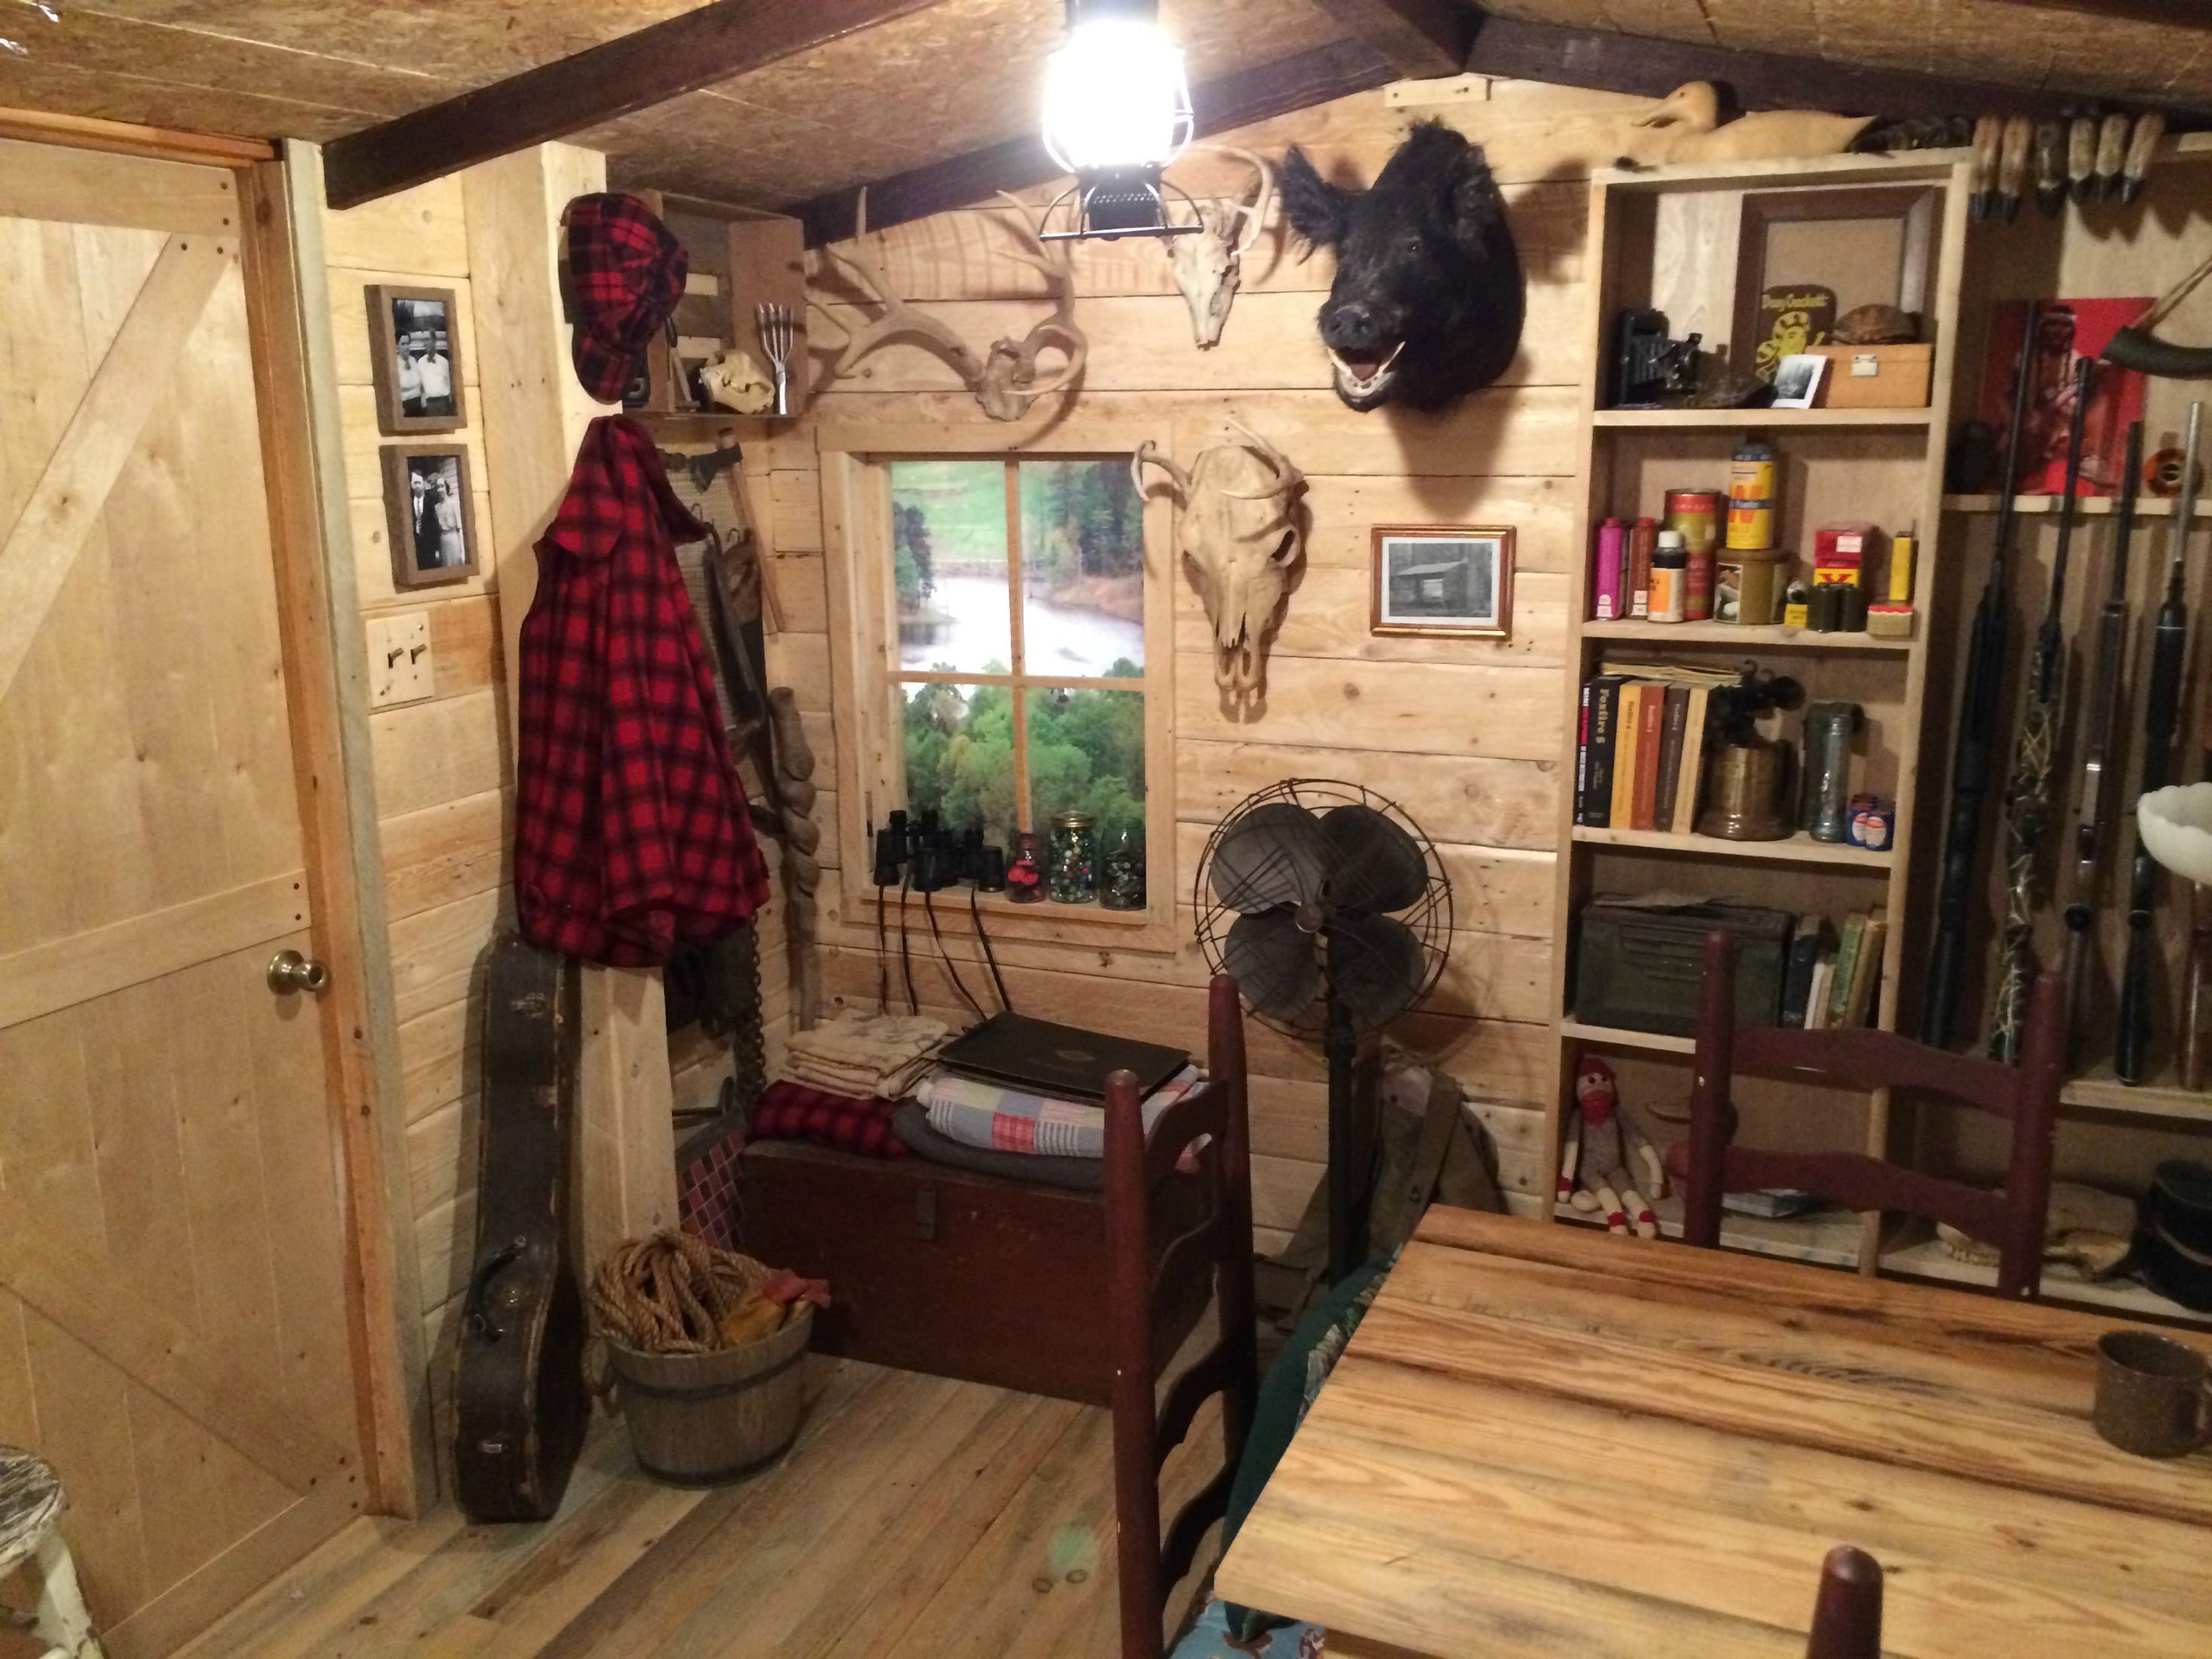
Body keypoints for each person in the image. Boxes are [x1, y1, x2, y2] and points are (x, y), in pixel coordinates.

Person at [434, 471, 465, 568]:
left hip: (454, 539)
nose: (440, 490)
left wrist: (462, 551)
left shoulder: (454, 504)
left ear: (446, 487)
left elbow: (460, 528)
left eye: (442, 486)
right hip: (443, 541)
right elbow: (437, 530)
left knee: (455, 566)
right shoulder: (437, 507)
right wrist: (437, 549)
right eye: (438, 487)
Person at [418, 337, 453, 414]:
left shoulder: (444, 362)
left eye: (427, 340)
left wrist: (449, 401)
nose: (425, 343)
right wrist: (423, 399)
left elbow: (449, 382)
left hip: (443, 402)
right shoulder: (420, 362)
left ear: (434, 342)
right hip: (429, 404)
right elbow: (420, 384)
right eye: (424, 341)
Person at [396, 342, 423, 416]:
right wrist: (397, 406)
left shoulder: (413, 360)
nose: (406, 347)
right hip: (404, 405)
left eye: (408, 344)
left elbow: (421, 381)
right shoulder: (394, 363)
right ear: (397, 346)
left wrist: (422, 398)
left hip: (418, 403)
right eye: (403, 344)